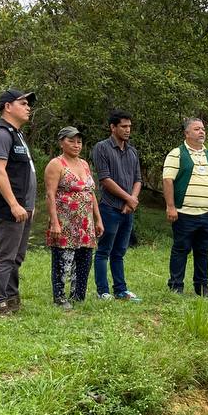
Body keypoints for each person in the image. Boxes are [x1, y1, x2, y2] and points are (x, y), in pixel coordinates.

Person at [0, 88, 36, 317]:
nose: (28, 107)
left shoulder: (16, 134)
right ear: (8, 107)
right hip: (8, 207)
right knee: (5, 255)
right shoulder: (1, 134)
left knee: (17, 255)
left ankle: (11, 298)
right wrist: (13, 204)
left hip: (23, 206)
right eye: (23, 103)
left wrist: (28, 203)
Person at [162, 117, 208, 299]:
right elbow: (168, 180)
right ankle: (176, 286)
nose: (202, 132)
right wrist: (171, 206)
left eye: (203, 129)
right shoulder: (176, 154)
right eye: (197, 129)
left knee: (203, 251)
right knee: (180, 249)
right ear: (186, 133)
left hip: (207, 214)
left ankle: (202, 286)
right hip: (184, 213)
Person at [45, 126, 104, 309]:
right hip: (65, 221)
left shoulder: (84, 164)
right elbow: (49, 195)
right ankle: (60, 297)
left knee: (84, 259)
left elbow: (91, 192)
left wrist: (98, 219)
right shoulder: (56, 164)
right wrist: (54, 222)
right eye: (71, 141)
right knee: (63, 260)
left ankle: (78, 296)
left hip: (85, 223)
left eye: (79, 141)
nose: (76, 145)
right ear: (61, 142)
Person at [92, 110, 143, 301]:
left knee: (120, 251)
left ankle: (121, 290)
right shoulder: (102, 148)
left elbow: (138, 179)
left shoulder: (132, 151)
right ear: (113, 127)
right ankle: (102, 291)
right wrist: (128, 199)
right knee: (104, 250)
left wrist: (133, 200)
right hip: (109, 207)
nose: (127, 130)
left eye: (129, 126)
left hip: (128, 210)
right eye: (123, 126)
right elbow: (105, 178)